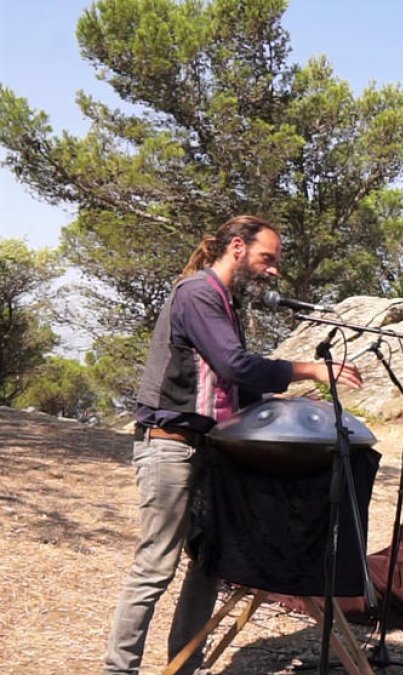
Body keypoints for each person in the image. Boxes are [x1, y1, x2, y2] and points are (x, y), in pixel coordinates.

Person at [102, 215, 363, 675]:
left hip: (209, 452)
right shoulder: (198, 293)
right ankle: (119, 670)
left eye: (276, 262)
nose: (274, 270)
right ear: (238, 248)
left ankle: (185, 666)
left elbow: (234, 385)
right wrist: (310, 369)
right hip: (171, 448)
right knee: (155, 569)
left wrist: (284, 405)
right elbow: (234, 364)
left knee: (207, 567)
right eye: (268, 258)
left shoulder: (226, 304)